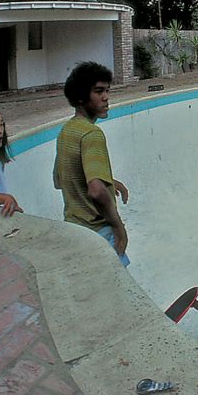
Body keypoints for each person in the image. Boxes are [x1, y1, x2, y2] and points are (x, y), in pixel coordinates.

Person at [53, 61, 131, 267]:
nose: (106, 97)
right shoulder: (91, 134)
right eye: (98, 91)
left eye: (107, 90)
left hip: (75, 229)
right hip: (99, 232)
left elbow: (59, 179)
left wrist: (110, 182)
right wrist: (118, 228)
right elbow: (96, 191)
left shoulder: (66, 131)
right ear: (80, 96)